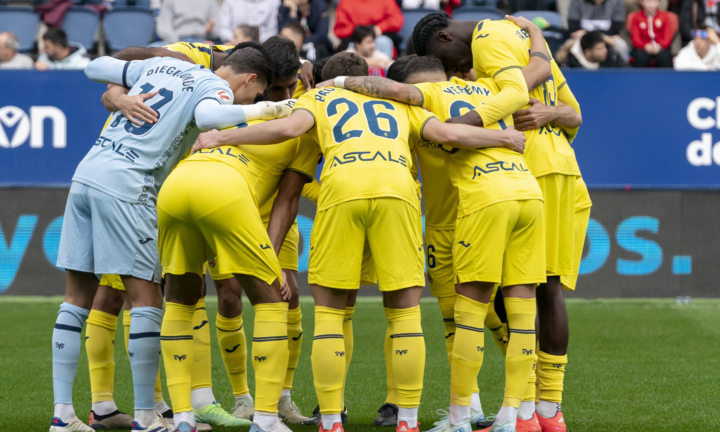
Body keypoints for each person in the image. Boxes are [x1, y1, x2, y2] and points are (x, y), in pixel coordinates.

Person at [190, 51, 527, 432]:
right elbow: (448, 133)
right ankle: (409, 421)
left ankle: (331, 420)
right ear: (368, 77)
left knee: (331, 312)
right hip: (398, 192)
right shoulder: (396, 102)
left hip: (342, 191)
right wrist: (503, 136)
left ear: (321, 77)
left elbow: (285, 130)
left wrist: (221, 136)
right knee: (404, 311)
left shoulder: (317, 98)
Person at [328, 18, 556, 432]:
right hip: (511, 199)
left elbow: (394, 93)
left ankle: (464, 415)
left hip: (474, 208)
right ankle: (514, 413)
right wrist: (535, 35)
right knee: (510, 313)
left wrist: (335, 81)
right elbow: (540, 71)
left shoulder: (423, 101)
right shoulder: (492, 90)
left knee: (466, 317)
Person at [49, 49, 287, 432]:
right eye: (254, 97)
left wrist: (121, 98)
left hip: (86, 174)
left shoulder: (163, 65)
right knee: (146, 300)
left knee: (76, 298)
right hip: (130, 184)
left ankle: (62, 415)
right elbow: (210, 117)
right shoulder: (215, 86)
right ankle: (146, 416)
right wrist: (268, 112)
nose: (248, 102)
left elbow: (93, 66)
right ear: (250, 80)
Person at [96, 38, 314, 427]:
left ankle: (182, 416)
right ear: (255, 80)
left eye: (287, 88)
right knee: (271, 302)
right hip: (223, 192)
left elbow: (109, 63)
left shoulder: (212, 104)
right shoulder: (297, 121)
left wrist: (115, 93)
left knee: (178, 300)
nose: (281, 94)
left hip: (175, 186)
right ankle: (265, 416)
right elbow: (287, 201)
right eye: (273, 89)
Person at [411, 12, 590, 432]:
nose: (459, 71)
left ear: (445, 36)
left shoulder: (488, 37)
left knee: (510, 293)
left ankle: (522, 411)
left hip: (529, 169)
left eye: (447, 59)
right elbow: (573, 113)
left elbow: (513, 94)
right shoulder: (524, 42)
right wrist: (536, 36)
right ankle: (547, 411)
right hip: (563, 170)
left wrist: (467, 124)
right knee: (545, 289)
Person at [334, 0, 403, 58]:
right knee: (350, 47)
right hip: (355, 39)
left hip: (379, 36)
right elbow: (340, 29)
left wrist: (379, 28)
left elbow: (396, 21)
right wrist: (360, 32)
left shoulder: (386, 1)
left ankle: (384, 72)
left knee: (383, 42)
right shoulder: (345, 2)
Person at [627, 0, 677, 67]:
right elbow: (635, 38)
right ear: (641, 2)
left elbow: (668, 37)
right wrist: (645, 46)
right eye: (648, 1)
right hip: (642, 48)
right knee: (640, 57)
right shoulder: (636, 17)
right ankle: (640, 77)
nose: (651, 4)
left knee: (665, 57)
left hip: (660, 47)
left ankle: (665, 77)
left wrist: (659, 46)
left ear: (659, 2)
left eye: (654, 1)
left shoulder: (665, 17)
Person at [156, 0, 220, 43]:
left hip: (201, 41)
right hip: (175, 40)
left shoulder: (210, 2)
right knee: (151, 49)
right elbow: (164, 29)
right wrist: (177, 43)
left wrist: (210, 31)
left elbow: (217, 31)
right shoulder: (170, 1)